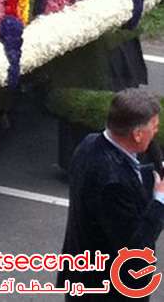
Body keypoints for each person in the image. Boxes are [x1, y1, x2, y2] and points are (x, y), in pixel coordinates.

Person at [57, 87, 164, 294]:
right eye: (154, 127)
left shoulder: (89, 144)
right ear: (137, 134)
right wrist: (159, 200)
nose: (156, 132)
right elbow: (136, 248)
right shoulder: (113, 184)